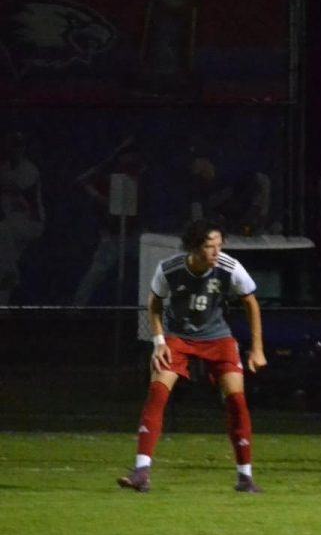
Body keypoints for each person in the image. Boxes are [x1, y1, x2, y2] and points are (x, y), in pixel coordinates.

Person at [117, 219, 266, 493]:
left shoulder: (229, 268)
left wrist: (257, 348)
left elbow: (251, 302)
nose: (216, 252)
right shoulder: (169, 269)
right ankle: (141, 472)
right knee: (158, 392)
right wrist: (159, 342)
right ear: (194, 248)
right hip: (179, 338)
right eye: (210, 246)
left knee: (236, 400)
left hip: (218, 337)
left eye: (219, 245)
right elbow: (154, 303)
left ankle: (245, 477)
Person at [72, 136, 148, 306]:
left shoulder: (138, 174)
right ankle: (76, 309)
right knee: (96, 273)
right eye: (125, 156)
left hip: (134, 234)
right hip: (112, 236)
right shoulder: (106, 177)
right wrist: (110, 159)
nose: (128, 160)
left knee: (150, 266)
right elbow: (82, 181)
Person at [0, 131, 45, 304]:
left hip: (30, 222)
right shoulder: (3, 166)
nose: (15, 149)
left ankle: (13, 275)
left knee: (1, 231)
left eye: (19, 146)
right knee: (4, 262)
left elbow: (15, 186)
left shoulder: (29, 169)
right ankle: (3, 307)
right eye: (12, 145)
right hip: (12, 224)